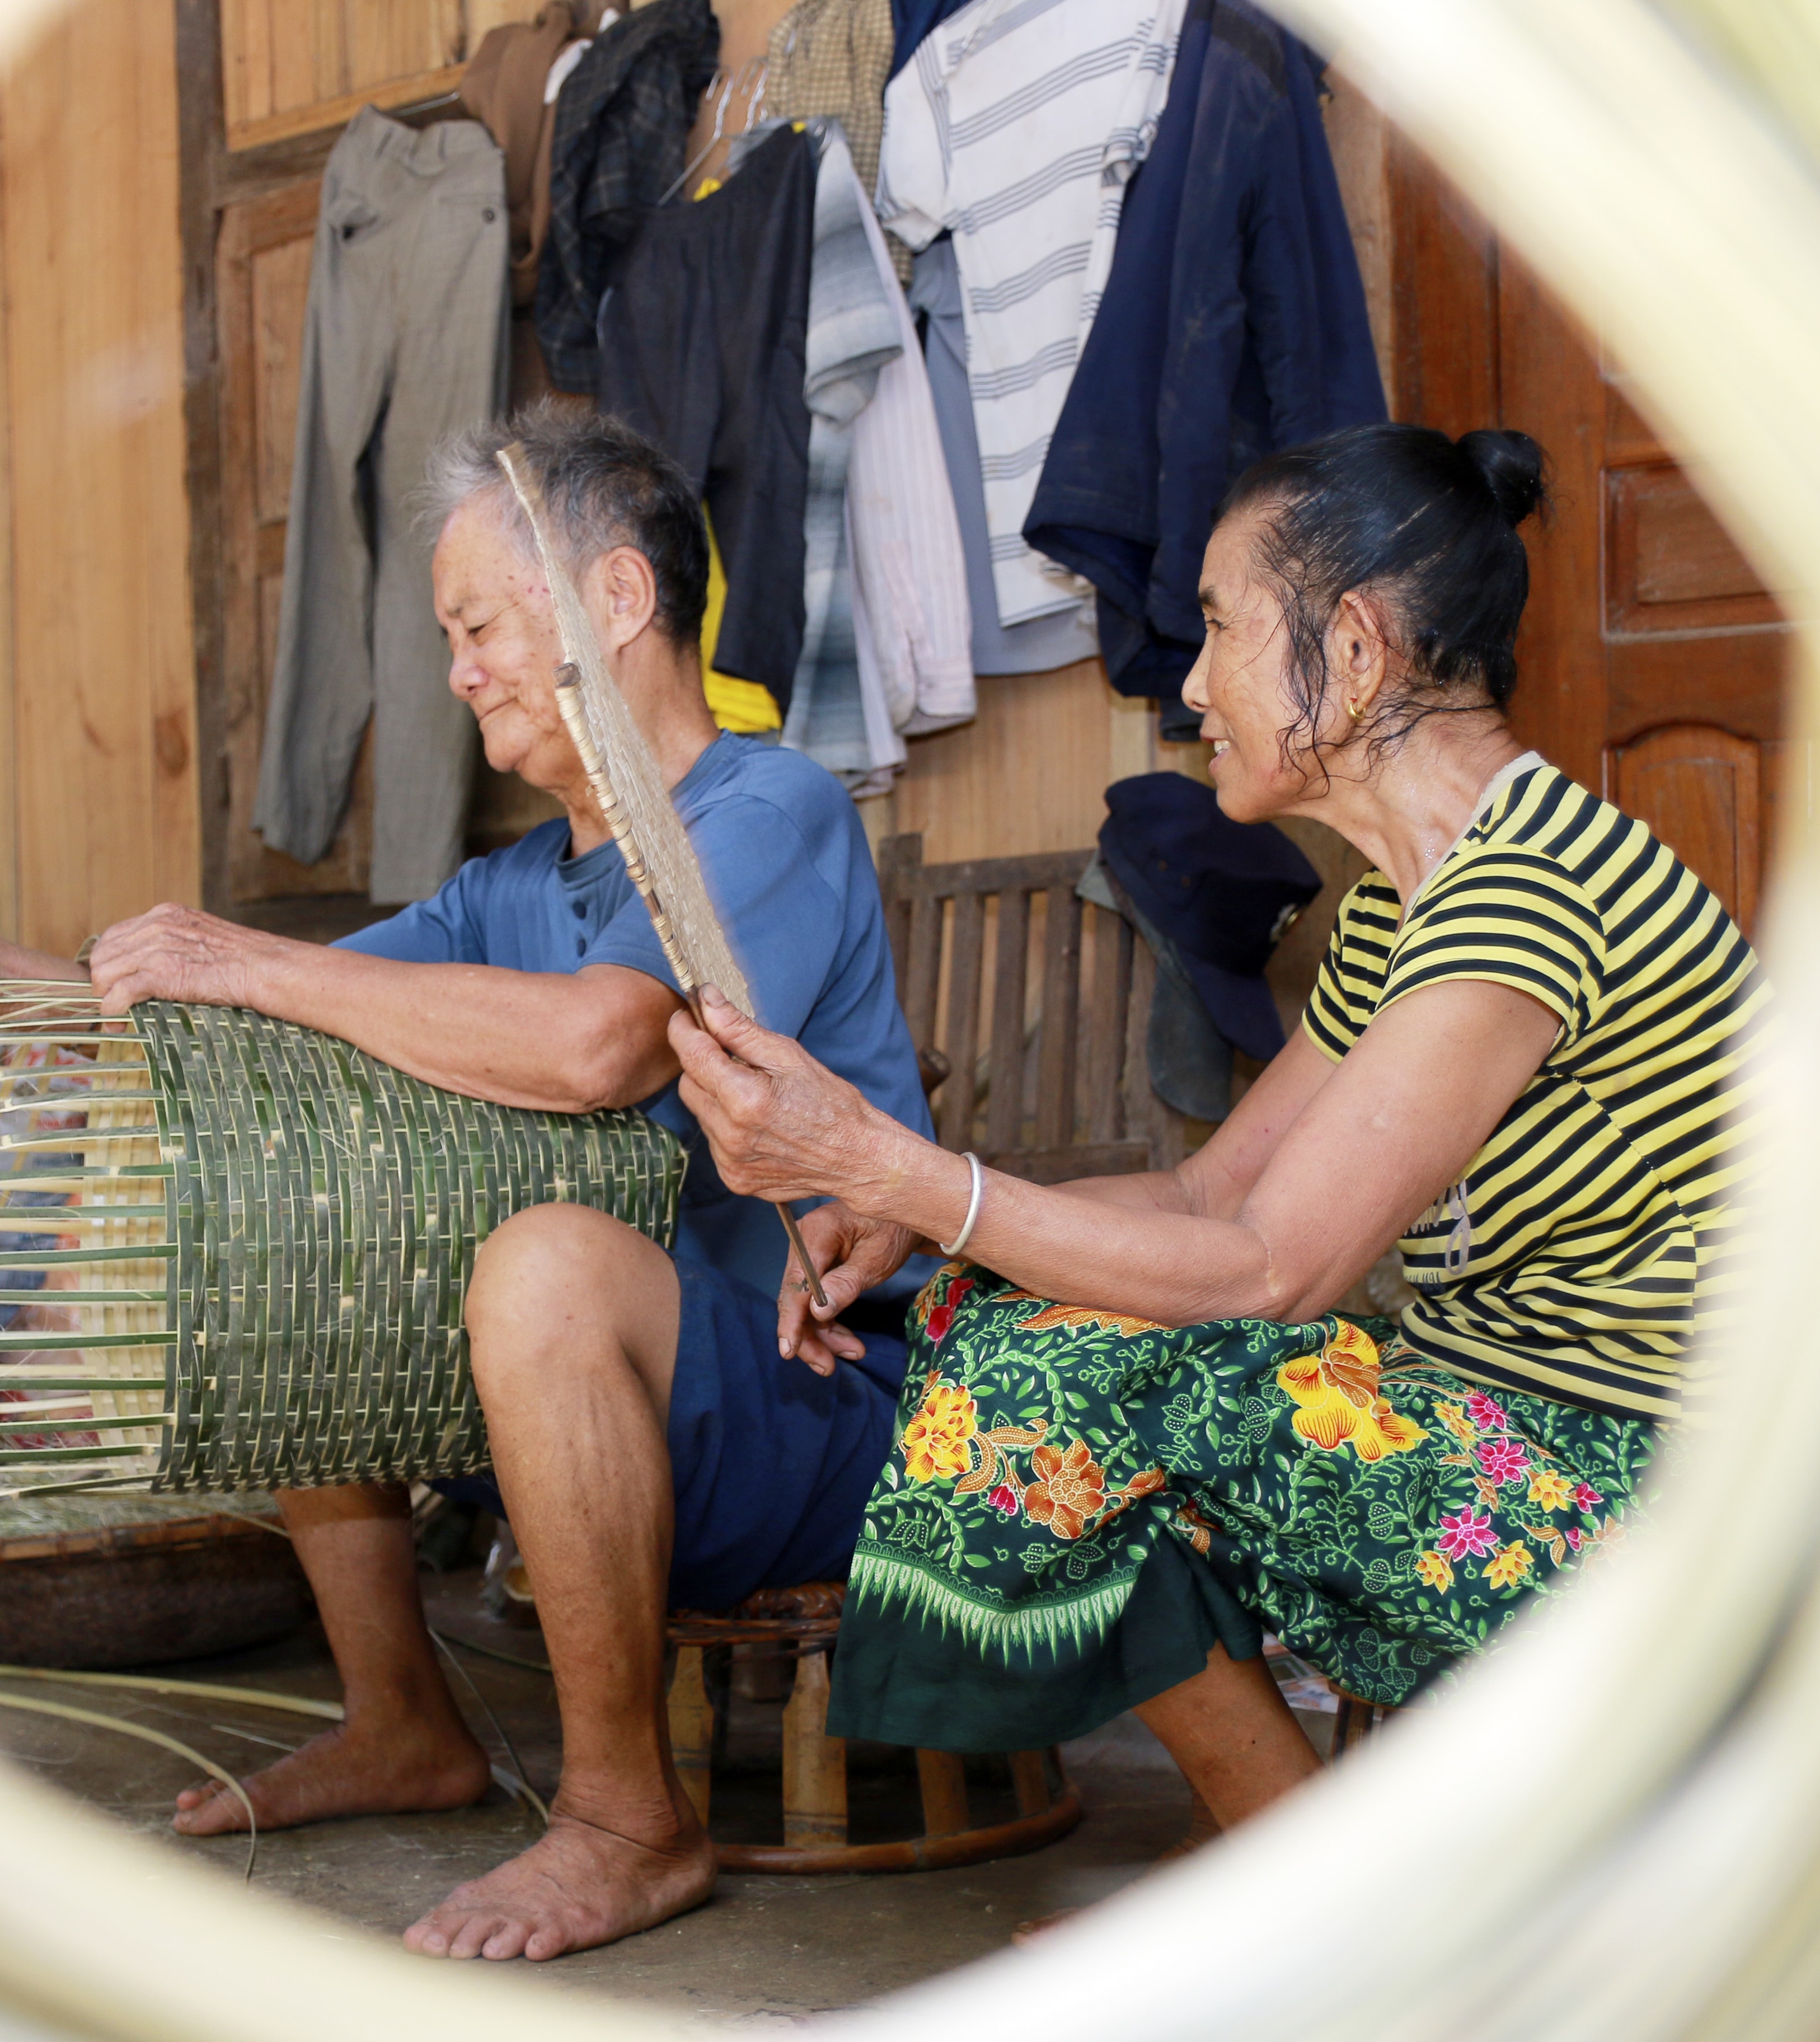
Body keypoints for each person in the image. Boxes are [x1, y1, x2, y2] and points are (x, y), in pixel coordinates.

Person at [0, 405, 931, 1961]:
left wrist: (245, 959)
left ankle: (630, 1819)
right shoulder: (509, 887)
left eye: (479, 625)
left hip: (827, 1416)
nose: (461, 668)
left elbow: (606, 1046)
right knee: (297, 1224)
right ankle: (403, 1719)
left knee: (544, 1259)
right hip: (604, 1422)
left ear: (616, 602)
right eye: (452, 635)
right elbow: (246, 1004)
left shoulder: (770, 811)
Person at [668, 421, 1763, 1846]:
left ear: (1356, 649)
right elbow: (1207, 1190)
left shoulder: (1526, 896)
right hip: (1509, 1426)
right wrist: (923, 1215)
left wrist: (897, 1167)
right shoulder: (1404, 906)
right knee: (995, 1306)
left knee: (1066, 1373)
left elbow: (1265, 1271)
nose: (1191, 684)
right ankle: (1315, 1878)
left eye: (1220, 628)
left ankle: (1312, 1910)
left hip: (1672, 1495)